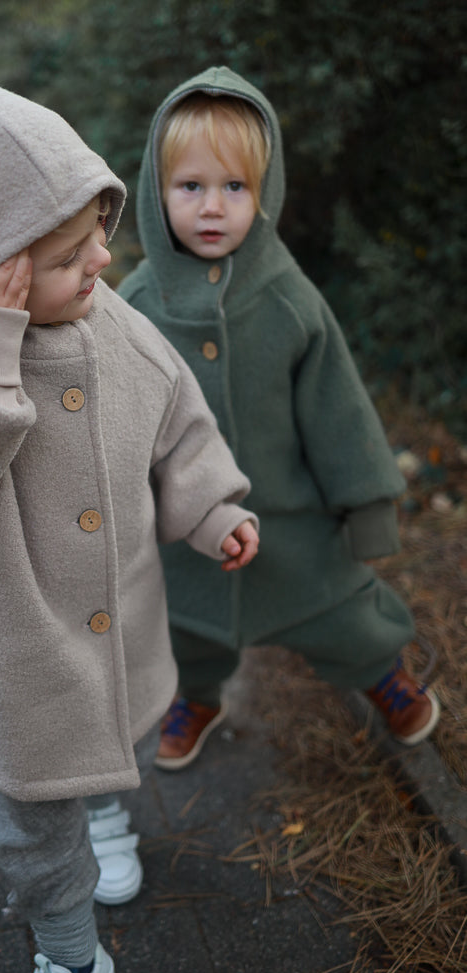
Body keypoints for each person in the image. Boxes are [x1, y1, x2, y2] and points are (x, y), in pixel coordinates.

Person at [0, 33, 259, 973]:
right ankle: (72, 952)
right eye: (70, 256)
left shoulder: (105, 319)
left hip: (121, 608)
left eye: (97, 236)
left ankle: (110, 817)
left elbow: (175, 417)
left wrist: (212, 507)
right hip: (13, 641)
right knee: (29, 814)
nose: (103, 263)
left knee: (111, 738)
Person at [117, 67, 440, 772]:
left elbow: (339, 409)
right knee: (185, 627)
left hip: (290, 520)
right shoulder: (135, 305)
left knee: (340, 612)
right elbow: (112, 417)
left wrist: (367, 506)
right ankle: (195, 696)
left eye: (234, 187)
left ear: (265, 193)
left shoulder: (287, 296)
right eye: (190, 186)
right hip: (184, 531)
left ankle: (382, 673)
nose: (212, 207)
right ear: (155, 190)